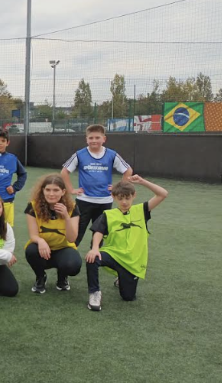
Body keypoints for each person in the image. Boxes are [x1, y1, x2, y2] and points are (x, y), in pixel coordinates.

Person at [84, 175, 168, 312]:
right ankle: (95, 293)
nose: (124, 202)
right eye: (120, 198)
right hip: (113, 254)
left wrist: (142, 181)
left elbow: (163, 194)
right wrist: (94, 248)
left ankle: (121, 279)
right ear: (113, 197)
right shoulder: (108, 214)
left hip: (132, 261)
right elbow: (98, 231)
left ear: (134, 196)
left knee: (128, 297)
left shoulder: (142, 210)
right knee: (92, 259)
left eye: (127, 198)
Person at [61, 124, 133, 246]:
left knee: (100, 230)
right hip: (84, 200)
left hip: (104, 200)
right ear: (86, 139)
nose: (94, 140)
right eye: (91, 138)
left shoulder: (112, 154)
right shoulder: (80, 154)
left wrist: (118, 188)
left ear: (104, 139)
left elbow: (128, 171)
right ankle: (71, 251)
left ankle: (95, 253)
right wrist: (71, 190)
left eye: (97, 138)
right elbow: (64, 172)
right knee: (78, 229)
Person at [25, 174, 82, 294]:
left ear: (63, 192)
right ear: (43, 190)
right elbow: (33, 235)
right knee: (31, 251)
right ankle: (40, 277)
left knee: (73, 265)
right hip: (42, 249)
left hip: (63, 248)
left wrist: (66, 216)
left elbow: (72, 239)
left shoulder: (72, 207)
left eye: (56, 190)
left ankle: (62, 277)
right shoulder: (33, 206)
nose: (51, 194)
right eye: (48, 190)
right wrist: (40, 241)